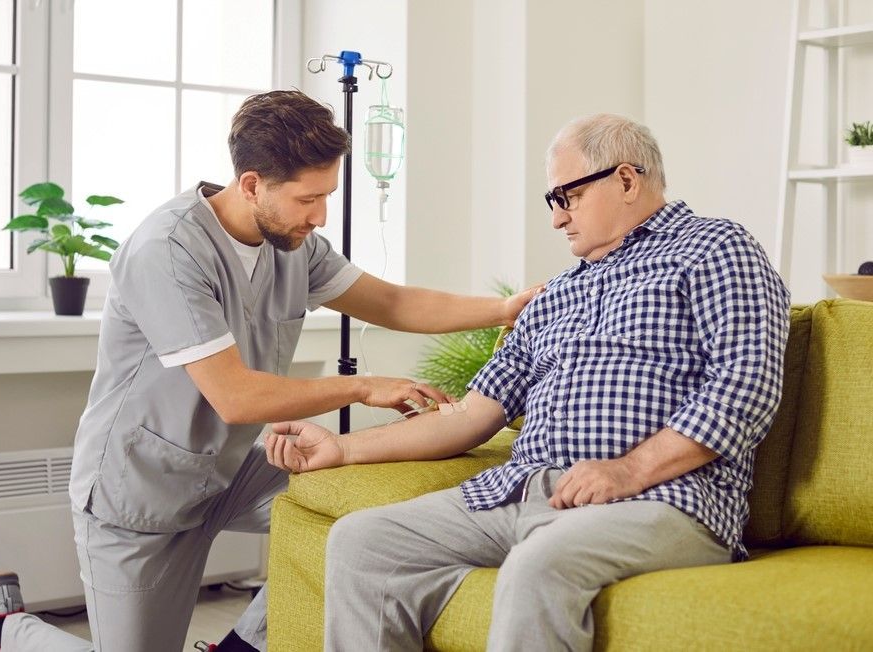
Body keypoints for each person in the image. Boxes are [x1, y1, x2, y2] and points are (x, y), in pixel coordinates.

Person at [0, 90, 541, 652]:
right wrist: (367, 385)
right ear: (251, 185)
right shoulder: (167, 250)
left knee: (362, 509)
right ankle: (3, 628)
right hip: (143, 486)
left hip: (241, 467)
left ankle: (241, 645)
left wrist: (501, 308)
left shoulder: (293, 243)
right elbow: (235, 397)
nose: (319, 217)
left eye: (327, 197)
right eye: (307, 199)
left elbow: (389, 303)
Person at [264, 114, 792, 651]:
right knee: (362, 541)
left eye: (568, 197)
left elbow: (746, 385)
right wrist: (341, 447)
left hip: (663, 499)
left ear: (627, 180)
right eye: (552, 202)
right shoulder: (554, 296)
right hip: (523, 492)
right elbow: (471, 416)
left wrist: (629, 469)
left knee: (540, 562)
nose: (557, 219)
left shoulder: (715, 248)